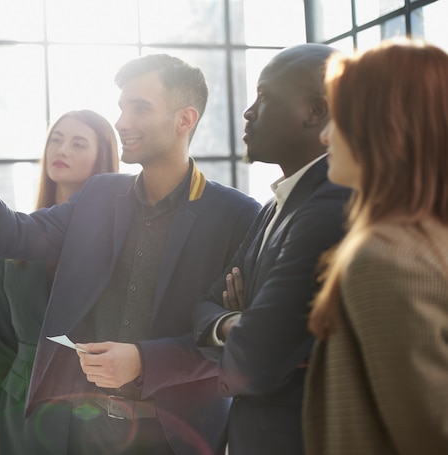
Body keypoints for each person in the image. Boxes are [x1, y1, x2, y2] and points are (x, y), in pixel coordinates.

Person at [0, 54, 261, 454]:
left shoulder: (237, 215)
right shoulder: (99, 195)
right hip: (88, 434)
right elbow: (14, 235)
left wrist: (144, 361)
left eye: (139, 108)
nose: (122, 122)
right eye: (121, 107)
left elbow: (233, 339)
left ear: (185, 119)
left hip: (177, 439)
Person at [192, 43, 351, 455]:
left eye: (264, 96)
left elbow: (253, 364)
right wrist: (235, 323)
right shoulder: (273, 209)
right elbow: (202, 307)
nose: (248, 112)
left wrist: (231, 326)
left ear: (315, 112)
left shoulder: (331, 207)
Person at [304, 39, 448, 455]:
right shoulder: (425, 240)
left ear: (386, 127)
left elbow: (432, 433)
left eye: (340, 119)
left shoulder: (386, 257)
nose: (326, 136)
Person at [0, 110, 120, 455]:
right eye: (56, 140)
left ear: (101, 157)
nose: (62, 150)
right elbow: (2, 346)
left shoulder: (120, 242)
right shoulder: (15, 238)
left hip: (94, 413)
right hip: (22, 411)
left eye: (78, 143)